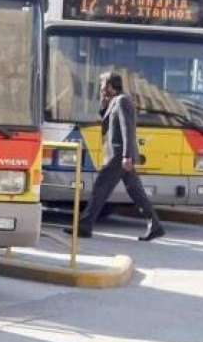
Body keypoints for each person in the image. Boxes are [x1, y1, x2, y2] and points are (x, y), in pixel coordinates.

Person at [66, 71, 166, 241]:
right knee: (136, 191)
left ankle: (84, 226)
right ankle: (155, 225)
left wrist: (127, 156)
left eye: (102, 84)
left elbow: (128, 129)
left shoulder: (123, 101)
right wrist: (103, 102)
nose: (100, 87)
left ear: (110, 85)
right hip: (118, 155)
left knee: (100, 188)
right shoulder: (114, 101)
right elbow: (106, 120)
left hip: (118, 156)